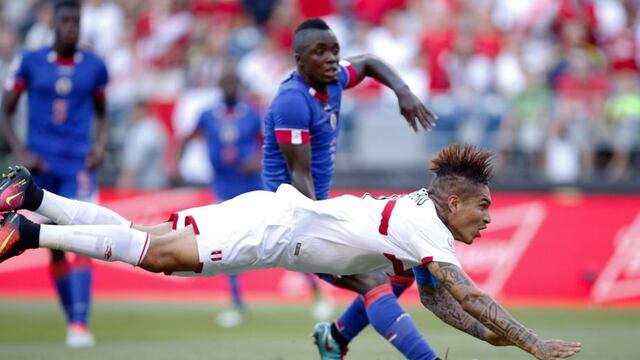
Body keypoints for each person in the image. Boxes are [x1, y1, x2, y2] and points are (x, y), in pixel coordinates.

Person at [0, 144, 582, 360]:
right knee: (153, 255)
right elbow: (467, 292)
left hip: (278, 223)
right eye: (483, 208)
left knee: (141, 234)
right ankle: (26, 234)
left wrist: (499, 340)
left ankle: (33, 195)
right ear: (454, 201)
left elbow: (440, 304)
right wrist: (530, 343)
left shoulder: (421, 224)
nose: (488, 218)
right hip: (275, 229)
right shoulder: (425, 224)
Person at [261, 18, 438, 359]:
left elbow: (370, 62)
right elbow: (300, 177)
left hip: (314, 208)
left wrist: (403, 91)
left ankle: (335, 339)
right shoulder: (292, 101)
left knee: (400, 267)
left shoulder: (334, 79)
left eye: (334, 50)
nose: (331, 59)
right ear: (299, 60)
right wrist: (324, 227)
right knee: (374, 284)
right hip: (289, 219)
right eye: (319, 52)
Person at [0, 0, 108, 348]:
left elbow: (102, 113)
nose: (71, 29)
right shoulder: (30, 62)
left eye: (77, 22)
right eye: (66, 22)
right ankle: (73, 317)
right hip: (42, 168)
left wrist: (101, 146)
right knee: (56, 248)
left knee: (82, 239)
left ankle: (79, 322)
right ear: (54, 24)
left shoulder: (95, 66)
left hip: (77, 165)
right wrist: (21, 151)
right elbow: (6, 111)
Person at [180, 63, 263, 328]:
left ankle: (315, 292)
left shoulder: (251, 113)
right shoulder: (208, 115)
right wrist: (176, 163)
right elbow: (188, 137)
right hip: (223, 187)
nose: (229, 86)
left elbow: (269, 142)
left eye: (232, 82)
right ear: (219, 85)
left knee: (280, 235)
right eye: (224, 82)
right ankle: (238, 304)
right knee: (225, 244)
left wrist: (257, 160)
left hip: (251, 185)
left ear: (238, 85)